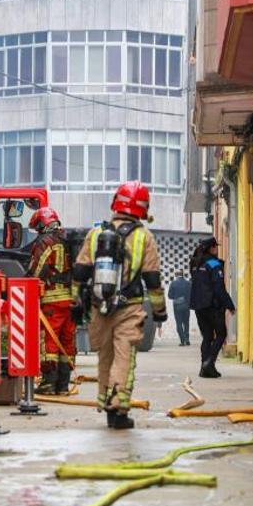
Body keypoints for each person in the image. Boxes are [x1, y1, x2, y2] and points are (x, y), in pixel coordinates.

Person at [71, 181, 167, 430]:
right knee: (124, 357)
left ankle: (106, 406)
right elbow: (152, 279)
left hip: (98, 306)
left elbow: (80, 271)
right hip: (129, 307)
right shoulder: (143, 236)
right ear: (143, 208)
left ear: (116, 203)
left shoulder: (95, 235)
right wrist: (159, 311)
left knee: (105, 358)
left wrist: (75, 301)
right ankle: (119, 410)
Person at [27, 207, 76, 395]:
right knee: (67, 341)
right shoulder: (68, 240)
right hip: (71, 299)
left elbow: (37, 270)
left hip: (52, 300)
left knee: (49, 342)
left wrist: (26, 280)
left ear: (41, 224)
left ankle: (48, 384)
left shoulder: (45, 241)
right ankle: (62, 386)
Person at [189, 237, 235, 378]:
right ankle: (209, 363)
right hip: (212, 306)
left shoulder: (195, 263)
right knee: (221, 334)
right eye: (216, 247)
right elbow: (218, 288)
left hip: (198, 305)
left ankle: (205, 368)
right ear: (211, 248)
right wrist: (229, 304)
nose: (217, 249)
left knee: (207, 336)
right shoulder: (213, 263)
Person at [167, 270, 192, 346]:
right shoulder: (188, 283)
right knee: (186, 323)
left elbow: (169, 296)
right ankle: (187, 339)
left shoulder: (173, 283)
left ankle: (182, 340)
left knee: (179, 323)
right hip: (187, 306)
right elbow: (191, 294)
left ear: (175, 275)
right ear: (183, 275)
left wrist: (176, 297)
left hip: (177, 306)